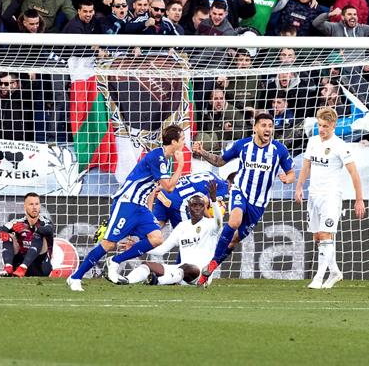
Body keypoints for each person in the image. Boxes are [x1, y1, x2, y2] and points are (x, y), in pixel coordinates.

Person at [66, 125, 185, 292]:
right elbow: (169, 187)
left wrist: (148, 211)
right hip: (127, 203)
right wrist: (181, 165)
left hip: (140, 206)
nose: (184, 142)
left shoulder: (164, 160)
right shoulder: (158, 157)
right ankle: (75, 277)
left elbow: (154, 189)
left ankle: (115, 261)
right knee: (108, 244)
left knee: (156, 238)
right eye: (182, 139)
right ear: (174, 142)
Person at [192, 113, 295, 287]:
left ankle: (212, 266)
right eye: (264, 125)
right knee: (234, 220)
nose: (268, 129)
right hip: (240, 191)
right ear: (255, 128)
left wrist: (288, 179)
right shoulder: (242, 145)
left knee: (234, 240)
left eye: (270, 126)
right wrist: (202, 152)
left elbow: (291, 173)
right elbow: (219, 161)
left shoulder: (279, 150)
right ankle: (211, 264)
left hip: (259, 202)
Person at [295, 107, 366, 289]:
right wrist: (299, 186)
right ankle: (334, 272)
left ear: (333, 125)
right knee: (318, 237)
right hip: (313, 195)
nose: (322, 129)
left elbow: (354, 173)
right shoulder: (312, 141)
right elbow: (306, 166)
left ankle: (318, 278)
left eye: (325, 126)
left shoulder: (340, 145)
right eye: (319, 125)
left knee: (326, 235)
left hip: (331, 196)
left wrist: (359, 200)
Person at [125, 181, 224, 286]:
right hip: (180, 272)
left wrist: (213, 200)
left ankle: (158, 281)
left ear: (204, 208)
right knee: (147, 265)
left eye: (200, 205)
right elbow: (162, 250)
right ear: (188, 208)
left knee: (188, 268)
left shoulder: (211, 224)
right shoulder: (182, 226)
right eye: (194, 205)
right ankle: (125, 280)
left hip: (200, 275)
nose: (197, 208)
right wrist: (137, 247)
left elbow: (219, 222)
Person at [0, 192, 55, 277]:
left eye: (37, 204)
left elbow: (49, 230)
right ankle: (8, 267)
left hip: (40, 265)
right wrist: (1, 233)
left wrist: (28, 228)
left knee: (39, 233)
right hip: (20, 262)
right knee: (7, 236)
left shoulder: (45, 222)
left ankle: (23, 267)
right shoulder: (17, 222)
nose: (34, 207)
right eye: (31, 204)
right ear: (25, 206)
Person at [152, 171, 231, 229]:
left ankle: (141, 248)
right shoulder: (223, 189)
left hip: (164, 194)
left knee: (154, 234)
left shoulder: (212, 173)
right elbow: (202, 202)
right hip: (178, 202)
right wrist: (212, 220)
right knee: (188, 239)